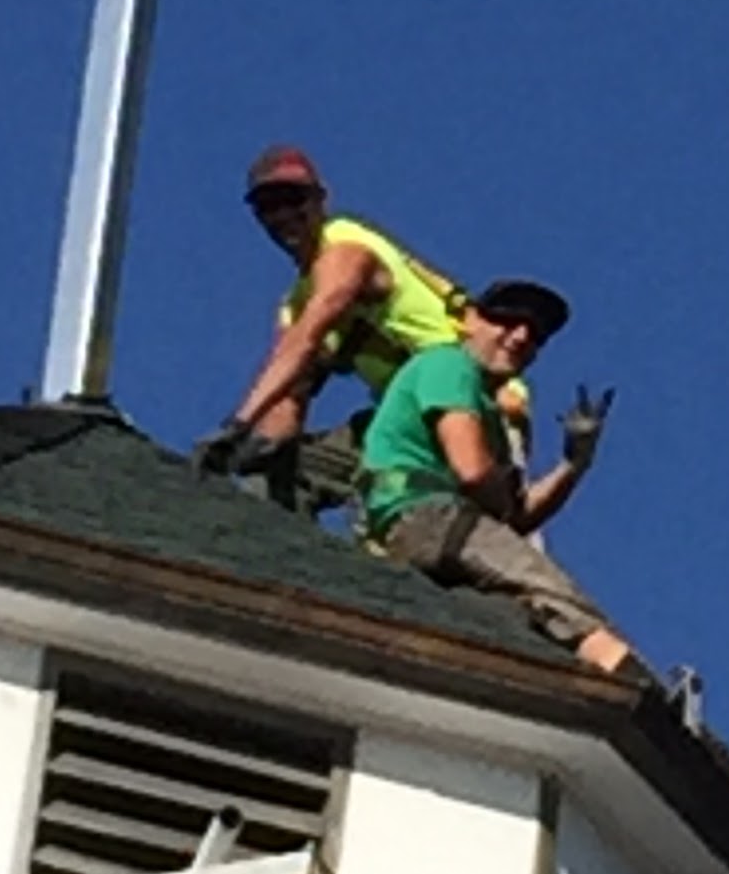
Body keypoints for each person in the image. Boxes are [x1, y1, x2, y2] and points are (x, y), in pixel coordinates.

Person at [194, 146, 527, 508]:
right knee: (286, 476)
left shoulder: (346, 247)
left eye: (294, 199)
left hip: (471, 403)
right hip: (414, 416)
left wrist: (237, 425)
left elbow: (309, 336)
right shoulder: (295, 303)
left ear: (320, 200)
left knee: (445, 508)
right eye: (269, 206)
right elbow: (291, 388)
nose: (284, 214)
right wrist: (258, 449)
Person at [360, 280, 639, 676]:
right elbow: (473, 472)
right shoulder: (449, 364)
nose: (521, 336)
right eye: (506, 321)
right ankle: (633, 683)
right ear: (470, 321)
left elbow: (516, 517)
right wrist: (499, 498)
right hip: (427, 515)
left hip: (434, 533)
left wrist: (574, 463)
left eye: (535, 334)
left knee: (513, 618)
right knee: (552, 592)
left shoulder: (489, 417)